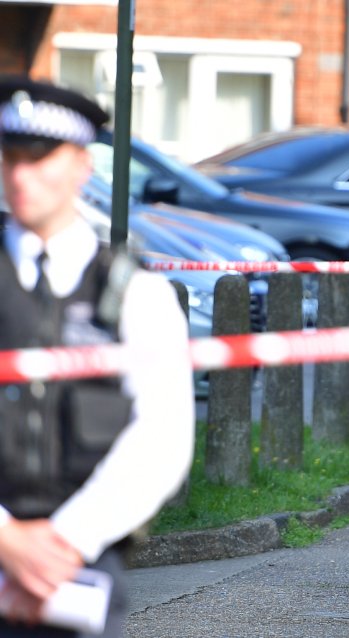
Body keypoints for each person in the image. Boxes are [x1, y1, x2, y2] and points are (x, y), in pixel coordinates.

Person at [0, 76, 194, 636]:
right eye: (10, 156)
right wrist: (9, 541)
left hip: (81, 572)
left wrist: (61, 545)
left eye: (40, 158)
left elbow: (161, 436)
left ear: (82, 167)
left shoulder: (133, 292)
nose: (19, 174)